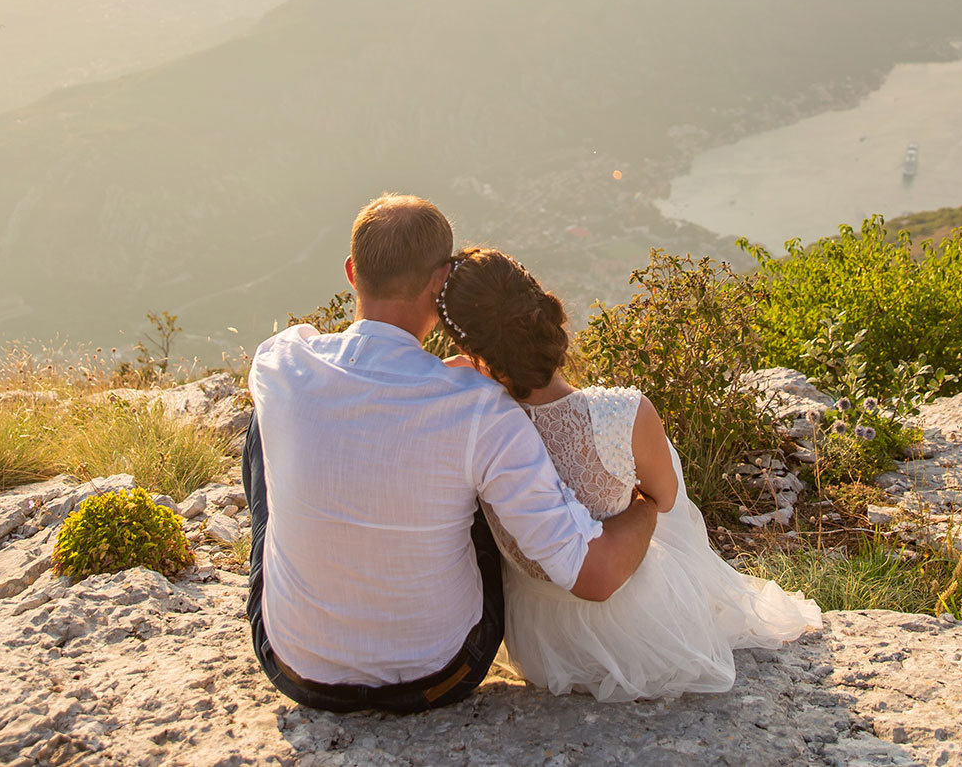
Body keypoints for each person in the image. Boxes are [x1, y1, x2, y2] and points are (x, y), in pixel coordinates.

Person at [244, 194, 660, 713]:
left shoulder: (281, 363)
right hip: (441, 672)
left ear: (353, 273)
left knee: (265, 431)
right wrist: (645, 506)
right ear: (440, 283)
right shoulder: (480, 409)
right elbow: (595, 578)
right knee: (472, 476)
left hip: (294, 666)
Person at [437, 246, 822, 701]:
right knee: (653, 488)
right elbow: (666, 498)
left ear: (468, 346)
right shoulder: (623, 413)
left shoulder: (463, 410)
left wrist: (469, 366)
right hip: (635, 630)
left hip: (538, 637)